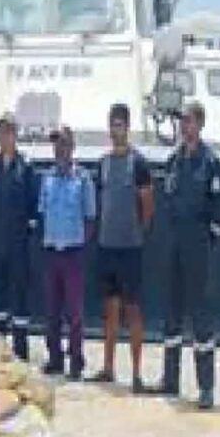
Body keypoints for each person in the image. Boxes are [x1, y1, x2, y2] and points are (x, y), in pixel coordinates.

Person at [146, 101, 220, 408]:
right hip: (175, 244)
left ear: (200, 124)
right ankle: (170, 379)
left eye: (190, 121)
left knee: (201, 317)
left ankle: (206, 387)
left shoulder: (211, 163)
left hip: (198, 246)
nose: (184, 126)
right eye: (182, 121)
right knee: (172, 313)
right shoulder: (174, 162)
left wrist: (206, 245)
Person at [89, 103, 154, 390]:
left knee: (134, 310)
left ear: (127, 127)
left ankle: (137, 373)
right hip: (106, 245)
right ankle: (108, 367)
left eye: (120, 125)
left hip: (130, 248)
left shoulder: (138, 163)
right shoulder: (102, 164)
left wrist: (139, 230)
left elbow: (148, 204)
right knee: (110, 309)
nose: (116, 130)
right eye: (112, 124)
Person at [37, 126, 96, 380]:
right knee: (51, 310)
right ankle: (55, 358)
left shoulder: (82, 179)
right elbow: (42, 212)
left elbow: (90, 217)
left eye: (63, 144)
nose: (58, 149)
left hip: (73, 253)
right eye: (55, 145)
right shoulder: (47, 179)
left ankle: (76, 361)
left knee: (74, 312)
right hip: (52, 251)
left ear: (72, 147)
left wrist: (81, 245)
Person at [0, 112, 39, 360]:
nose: (3, 137)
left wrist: (25, 234)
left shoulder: (25, 167)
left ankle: (20, 351)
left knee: (19, 295)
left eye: (7, 132)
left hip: (19, 242)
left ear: (14, 135)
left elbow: (32, 206)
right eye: (0, 132)